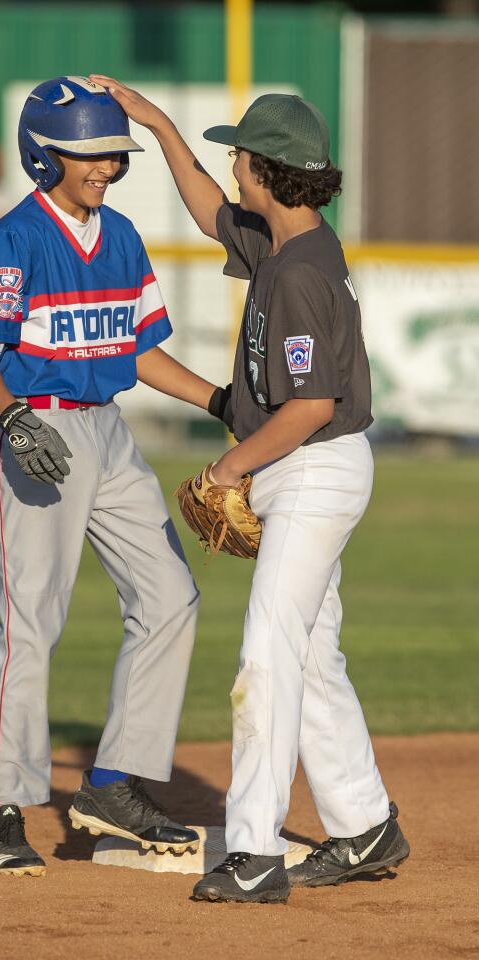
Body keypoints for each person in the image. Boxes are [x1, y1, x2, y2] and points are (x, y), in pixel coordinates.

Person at [90, 75, 410, 903]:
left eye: (241, 154)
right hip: (312, 469)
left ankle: (257, 853)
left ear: (268, 169)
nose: (231, 164)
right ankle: (365, 823)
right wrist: (159, 124)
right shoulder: (288, 239)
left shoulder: (298, 270)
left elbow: (310, 406)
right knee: (308, 652)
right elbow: (206, 212)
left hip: (312, 471)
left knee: (266, 655)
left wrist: (226, 467)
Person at [0, 76, 227, 877]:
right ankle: (0, 814)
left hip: (108, 435)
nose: (103, 166)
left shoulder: (122, 237)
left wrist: (216, 399)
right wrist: (10, 416)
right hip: (35, 429)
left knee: (171, 596)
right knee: (31, 621)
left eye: (111, 152)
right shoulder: (17, 237)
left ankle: (111, 782)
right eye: (87, 154)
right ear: (45, 156)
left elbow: (138, 354)